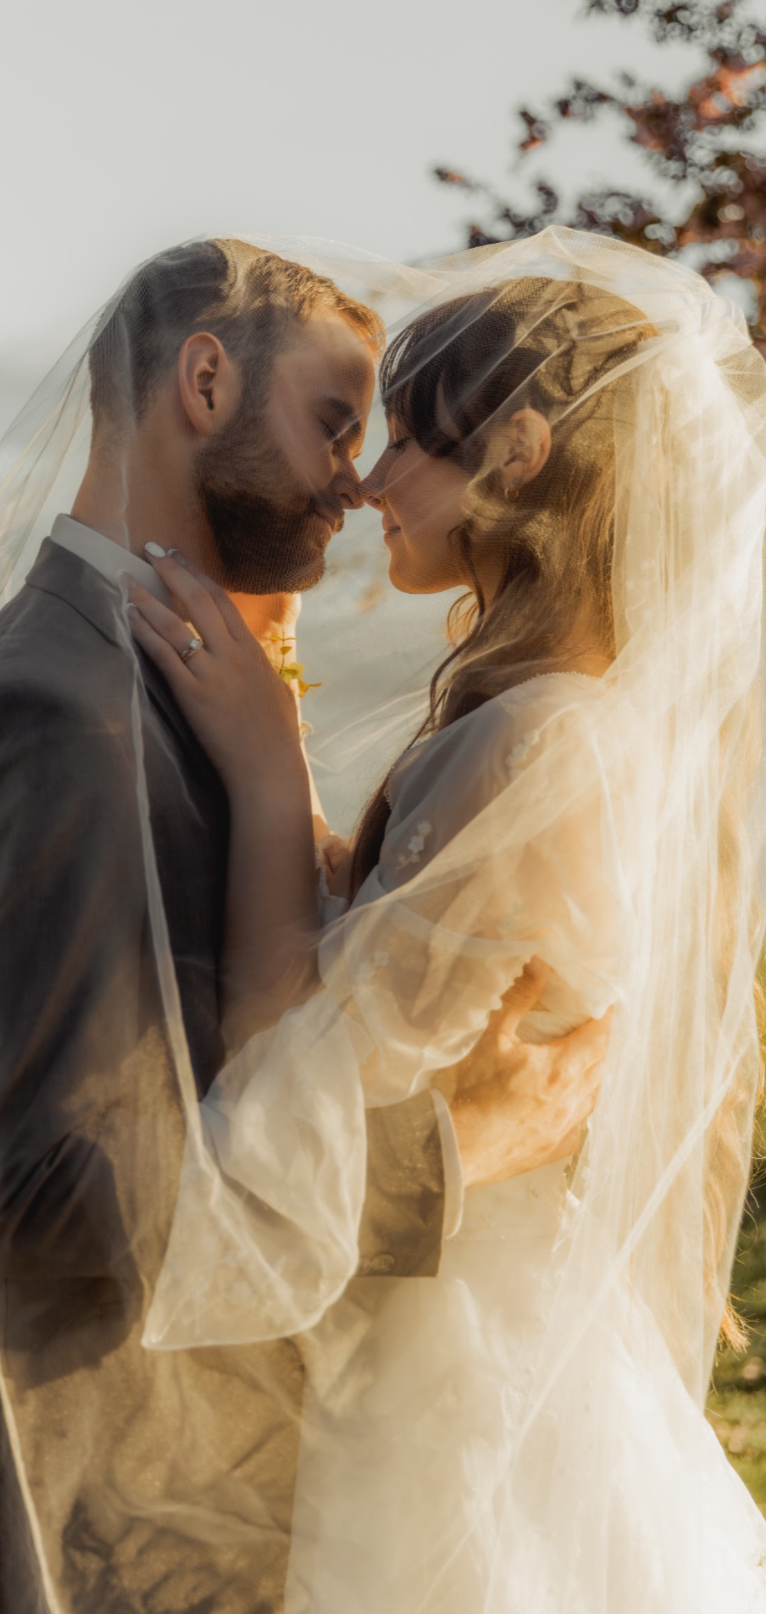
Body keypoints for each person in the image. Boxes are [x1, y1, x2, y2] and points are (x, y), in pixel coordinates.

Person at [132, 230, 766, 1611]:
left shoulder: (545, 742)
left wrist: (260, 760)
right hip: (461, 1362)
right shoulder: (537, 722)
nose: (362, 478)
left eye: (406, 432)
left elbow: (290, 1090)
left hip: (467, 1418)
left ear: (517, 453)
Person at [0, 236, 607, 1614]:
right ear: (203, 380)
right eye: (337, 422)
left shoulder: (167, 684)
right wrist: (452, 1153)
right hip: (103, 1524)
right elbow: (50, 1186)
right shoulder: (69, 711)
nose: (356, 472)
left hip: (242, 1507)